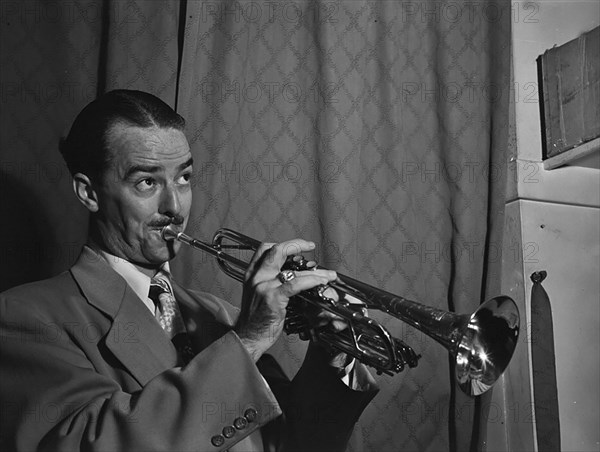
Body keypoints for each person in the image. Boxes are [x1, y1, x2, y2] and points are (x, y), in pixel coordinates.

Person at [0, 90, 378, 452]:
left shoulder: (218, 313)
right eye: (147, 182)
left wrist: (332, 353)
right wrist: (247, 342)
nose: (175, 206)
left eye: (183, 178)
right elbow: (97, 444)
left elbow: (290, 443)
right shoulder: (27, 317)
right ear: (89, 193)